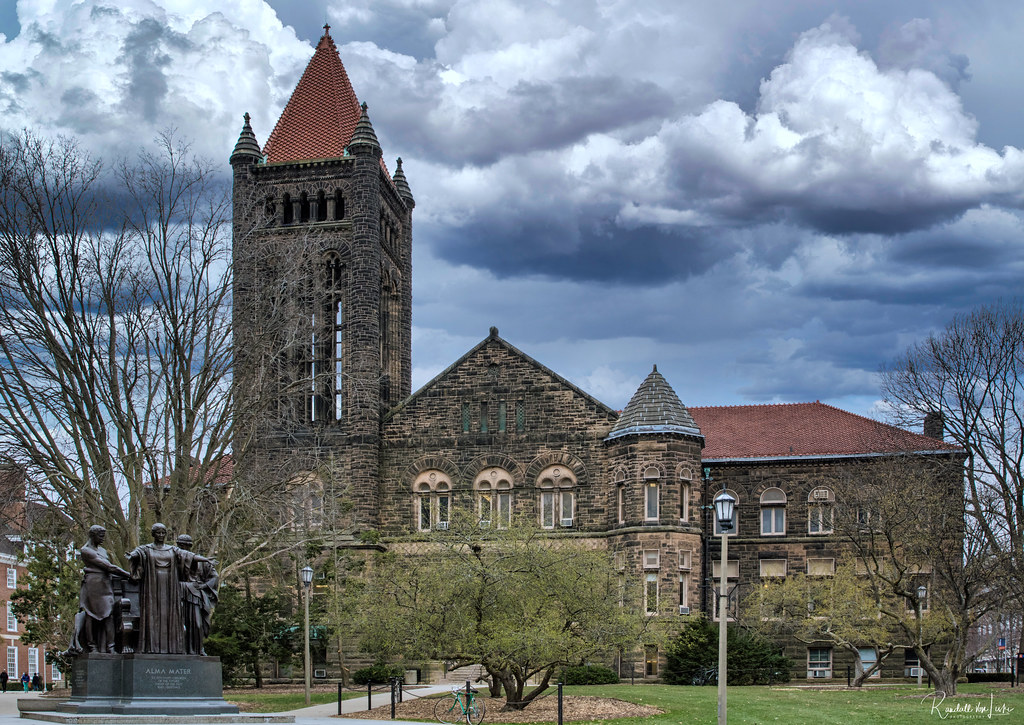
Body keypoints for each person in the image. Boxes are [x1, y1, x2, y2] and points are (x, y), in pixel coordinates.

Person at [127, 523, 206, 654]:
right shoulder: (145, 549)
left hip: (170, 586)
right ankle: (151, 647)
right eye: (158, 533)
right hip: (152, 586)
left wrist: (205, 560)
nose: (161, 535)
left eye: (163, 533)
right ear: (153, 534)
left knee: (170, 614)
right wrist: (132, 556)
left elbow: (188, 556)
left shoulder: (172, 550)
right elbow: (135, 555)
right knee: (153, 614)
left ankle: (172, 648)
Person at [75, 525, 131, 653]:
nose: (103, 539)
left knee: (109, 614)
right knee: (90, 614)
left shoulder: (103, 551)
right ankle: (92, 646)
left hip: (106, 584)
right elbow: (109, 567)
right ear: (92, 535)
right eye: (100, 536)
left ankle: (110, 646)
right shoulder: (86, 550)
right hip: (93, 584)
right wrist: (128, 575)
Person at [176, 535, 219, 656]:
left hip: (194, 594)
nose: (182, 548)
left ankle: (198, 649)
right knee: (177, 623)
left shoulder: (202, 562)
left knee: (197, 623)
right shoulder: (174, 561)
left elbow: (214, 577)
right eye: (179, 545)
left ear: (189, 546)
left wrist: (204, 586)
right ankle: (179, 649)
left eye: (184, 546)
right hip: (177, 593)